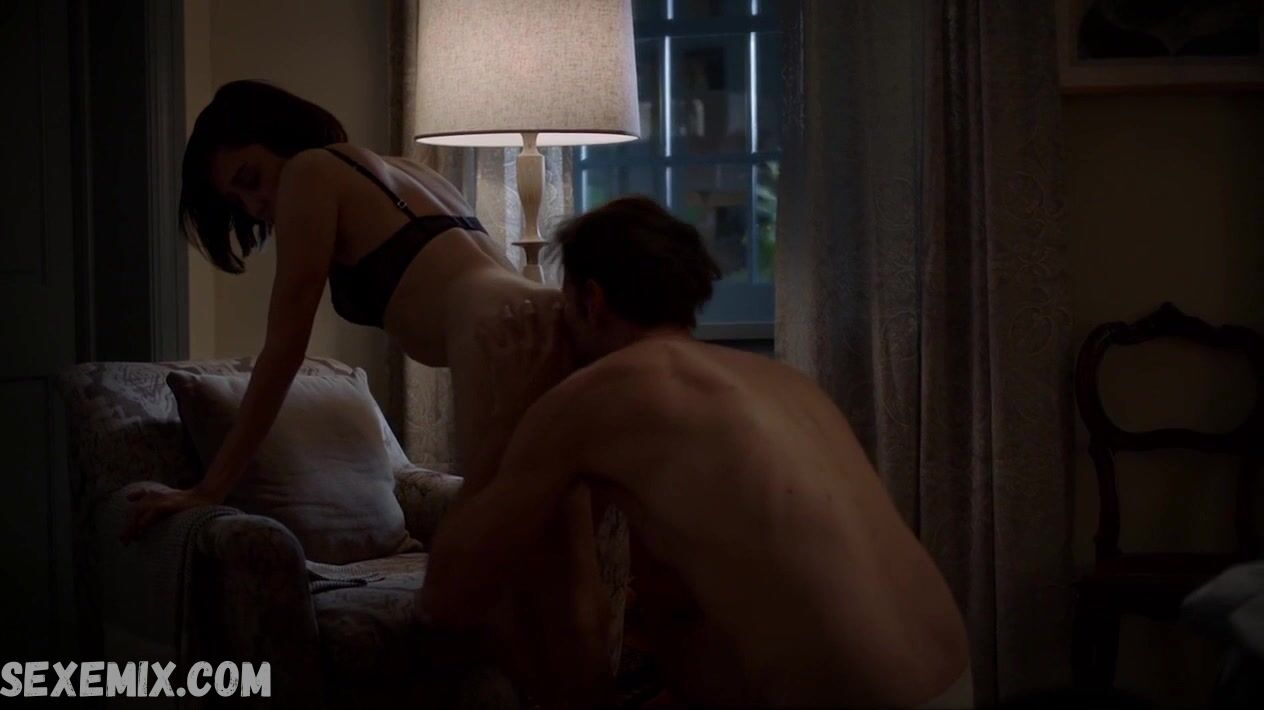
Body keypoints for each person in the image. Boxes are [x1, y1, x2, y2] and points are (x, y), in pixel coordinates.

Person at [122, 80, 616, 702]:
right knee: (569, 566)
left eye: (250, 178)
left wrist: (209, 488)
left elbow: (283, 348)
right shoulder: (407, 170)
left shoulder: (309, 172)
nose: (254, 205)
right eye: (237, 199)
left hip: (499, 336)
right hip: (547, 318)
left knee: (492, 573)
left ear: (279, 138)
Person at [420, 196, 974, 708]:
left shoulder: (594, 397)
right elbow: (681, 615)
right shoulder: (784, 383)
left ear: (591, 299)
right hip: (954, 682)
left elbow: (447, 597)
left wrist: (510, 412)